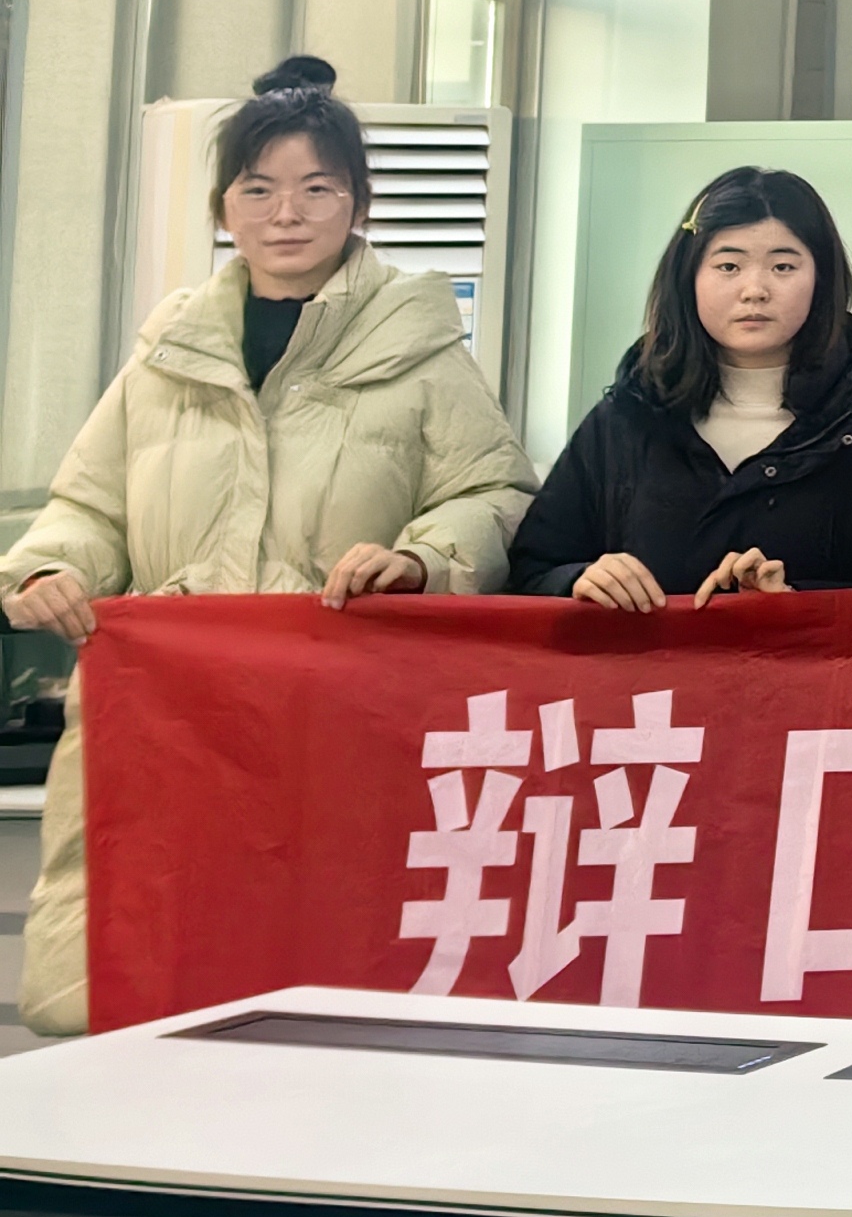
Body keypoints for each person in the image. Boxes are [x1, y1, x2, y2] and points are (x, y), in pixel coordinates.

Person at [0, 58, 536, 1036]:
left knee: (317, 976)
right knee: (147, 972)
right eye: (258, 189)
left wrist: (421, 557)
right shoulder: (170, 352)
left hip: (335, 715)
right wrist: (50, 566)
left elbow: (496, 495)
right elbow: (90, 504)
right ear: (224, 208)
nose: (286, 213)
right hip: (171, 718)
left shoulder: (418, 349)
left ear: (359, 204)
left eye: (317, 188)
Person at [512, 167, 852, 605]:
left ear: (821, 280)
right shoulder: (626, 417)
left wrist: (798, 601)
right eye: (728, 266)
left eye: (783, 267)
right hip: (652, 673)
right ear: (688, 278)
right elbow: (531, 569)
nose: (754, 290)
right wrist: (580, 579)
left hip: (814, 671)